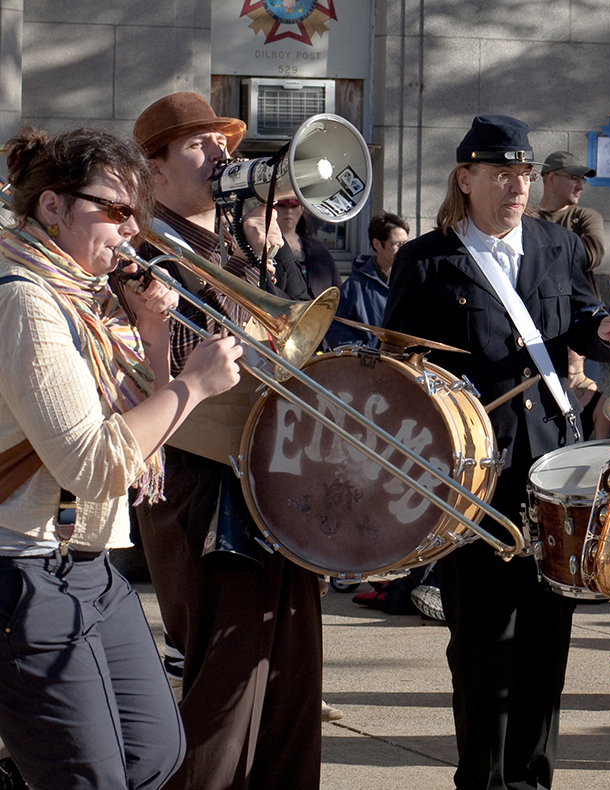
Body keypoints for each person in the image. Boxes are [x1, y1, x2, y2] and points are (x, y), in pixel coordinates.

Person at [380, 114, 610, 790]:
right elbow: (397, 366)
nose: (516, 188)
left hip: (554, 470)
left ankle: (531, 780)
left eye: (523, 177)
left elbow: (579, 312)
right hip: (473, 478)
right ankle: (483, 781)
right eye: (502, 175)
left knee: (549, 644)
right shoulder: (427, 259)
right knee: (483, 646)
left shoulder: (556, 244)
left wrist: (604, 326)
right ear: (466, 179)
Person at [0, 126, 243, 789]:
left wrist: (160, 335)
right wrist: (195, 385)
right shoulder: (26, 300)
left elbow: (144, 440)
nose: (131, 228)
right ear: (52, 207)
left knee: (154, 754)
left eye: (136, 212)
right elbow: (95, 464)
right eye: (114, 210)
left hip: (87, 563)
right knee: (88, 777)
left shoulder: (90, 304)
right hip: (22, 566)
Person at [130, 91, 324, 790]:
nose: (222, 155)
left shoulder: (245, 239)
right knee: (228, 686)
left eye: (224, 142)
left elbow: (303, 339)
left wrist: (282, 251)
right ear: (153, 171)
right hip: (201, 480)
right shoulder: (142, 247)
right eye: (198, 145)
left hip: (274, 473)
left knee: (294, 678)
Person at [325, 212, 409, 348]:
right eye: (397, 244)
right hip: (369, 365)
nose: (403, 250)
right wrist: (361, 351)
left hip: (405, 363)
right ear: (377, 244)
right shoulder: (354, 286)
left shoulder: (411, 280)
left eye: (406, 243)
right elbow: (334, 325)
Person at [528, 150, 605, 290]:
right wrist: (574, 244)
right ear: (551, 178)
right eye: (575, 178)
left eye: (583, 179)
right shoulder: (527, 218)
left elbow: (591, 255)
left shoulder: (585, 217)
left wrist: (536, 251)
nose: (581, 187)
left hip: (579, 307)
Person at [274, 197, 341, 298]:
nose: (289, 211)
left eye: (294, 206)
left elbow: (337, 290)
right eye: (282, 206)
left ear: (301, 209)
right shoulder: (263, 248)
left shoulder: (318, 249)